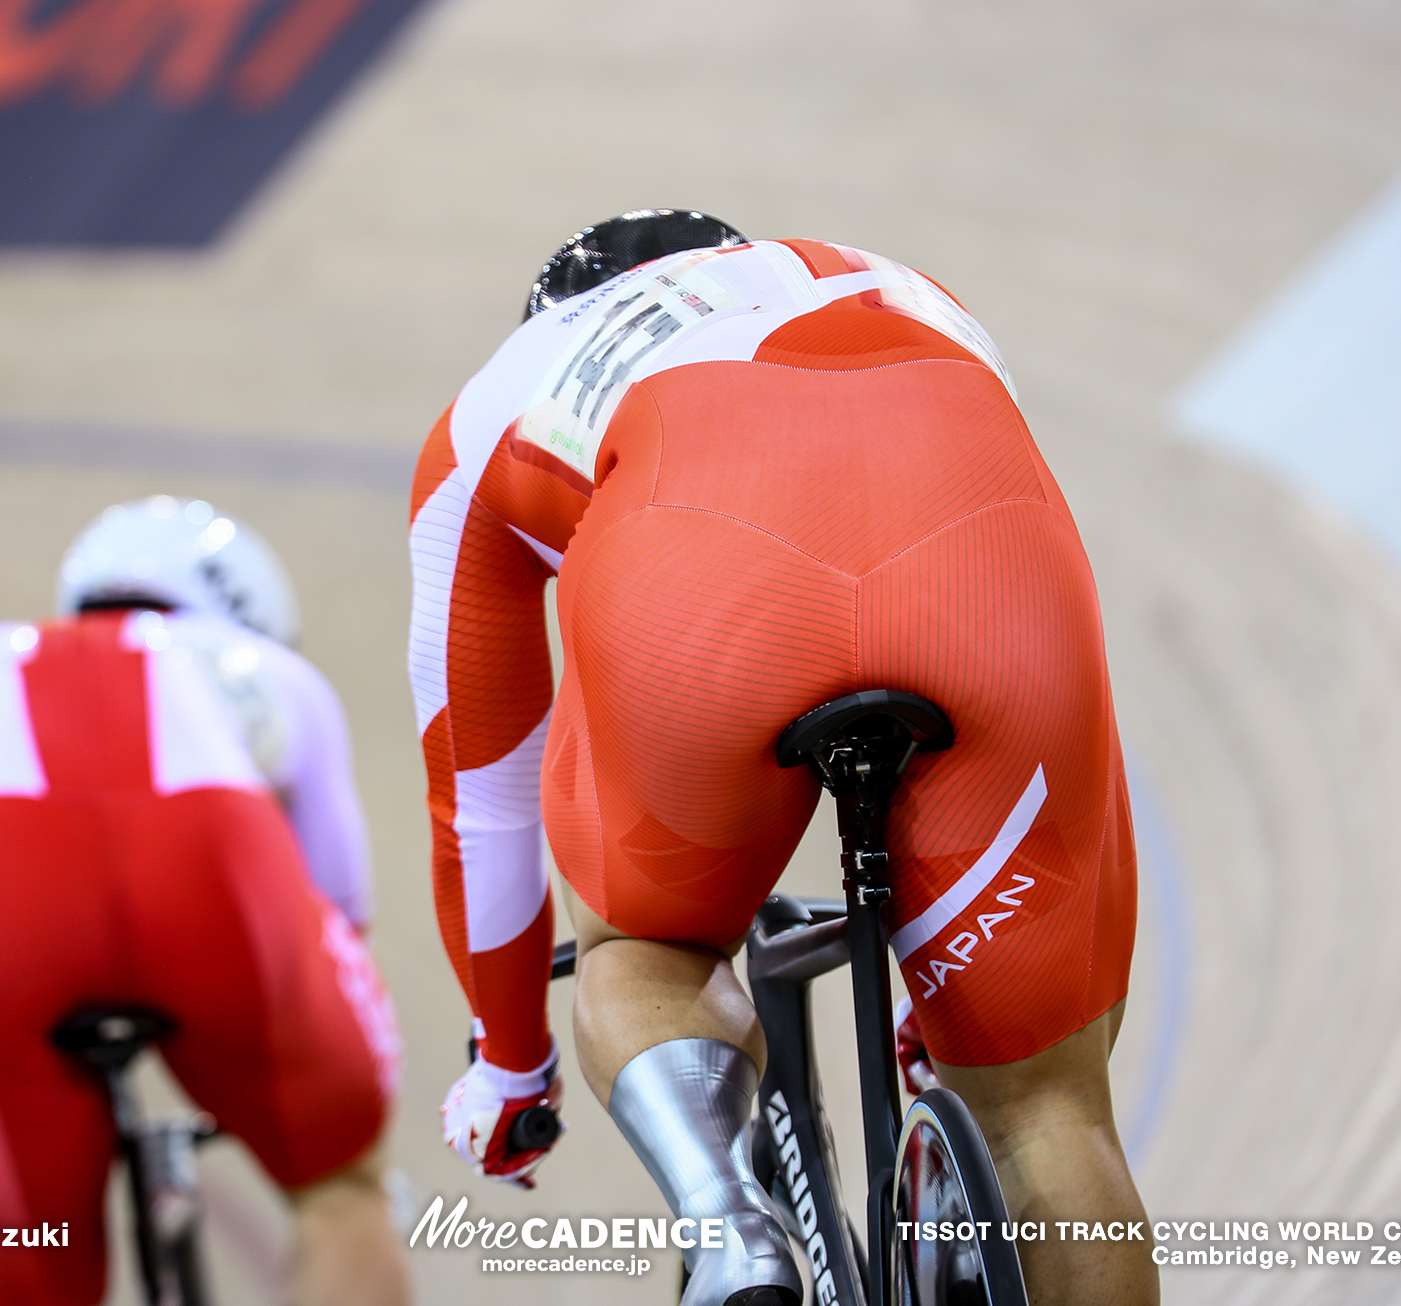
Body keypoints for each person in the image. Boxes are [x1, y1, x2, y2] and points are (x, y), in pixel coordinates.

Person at [408, 210, 1156, 1306]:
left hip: (707, 590)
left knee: (645, 952)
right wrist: (988, 984)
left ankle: (728, 1218)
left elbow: (477, 798)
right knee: (1047, 1102)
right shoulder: (894, 277)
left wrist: (509, 1061)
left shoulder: (498, 397)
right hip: (983, 572)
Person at [0, 496, 406, 1306]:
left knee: (21, 1268)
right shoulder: (264, 673)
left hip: (4, 924)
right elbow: (340, 903)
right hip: (209, 887)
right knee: (341, 1180)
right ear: (248, 613)